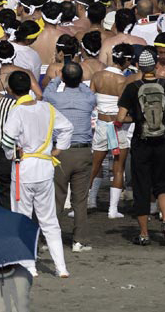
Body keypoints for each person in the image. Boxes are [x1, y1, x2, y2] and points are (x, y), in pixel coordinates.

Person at [2, 75, 74, 277]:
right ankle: (61, 268)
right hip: (44, 168)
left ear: (10, 89)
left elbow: (7, 140)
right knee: (49, 220)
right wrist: (58, 149)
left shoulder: (17, 111)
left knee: (23, 219)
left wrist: (12, 154)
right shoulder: (46, 108)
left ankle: (29, 266)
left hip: (24, 169)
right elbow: (67, 127)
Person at [117, 49, 165, 246]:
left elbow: (121, 118)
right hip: (163, 142)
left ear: (138, 66)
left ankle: (145, 233)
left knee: (141, 187)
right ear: (155, 66)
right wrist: (164, 116)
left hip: (141, 142)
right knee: (163, 184)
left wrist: (138, 118)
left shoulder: (132, 88)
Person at [43, 62, 96, 252]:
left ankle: (50, 240)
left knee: (56, 197)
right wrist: (74, 79)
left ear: (64, 79)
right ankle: (79, 240)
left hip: (60, 151)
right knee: (80, 199)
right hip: (83, 151)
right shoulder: (88, 98)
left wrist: (58, 77)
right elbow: (86, 89)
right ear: (80, 79)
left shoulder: (53, 97)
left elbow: (46, 90)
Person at [88, 43, 138, 217]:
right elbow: (125, 109)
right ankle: (112, 209)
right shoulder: (123, 81)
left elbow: (90, 100)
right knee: (118, 168)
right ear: (126, 61)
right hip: (117, 127)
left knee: (94, 166)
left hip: (101, 123)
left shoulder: (97, 76)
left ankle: (82, 203)